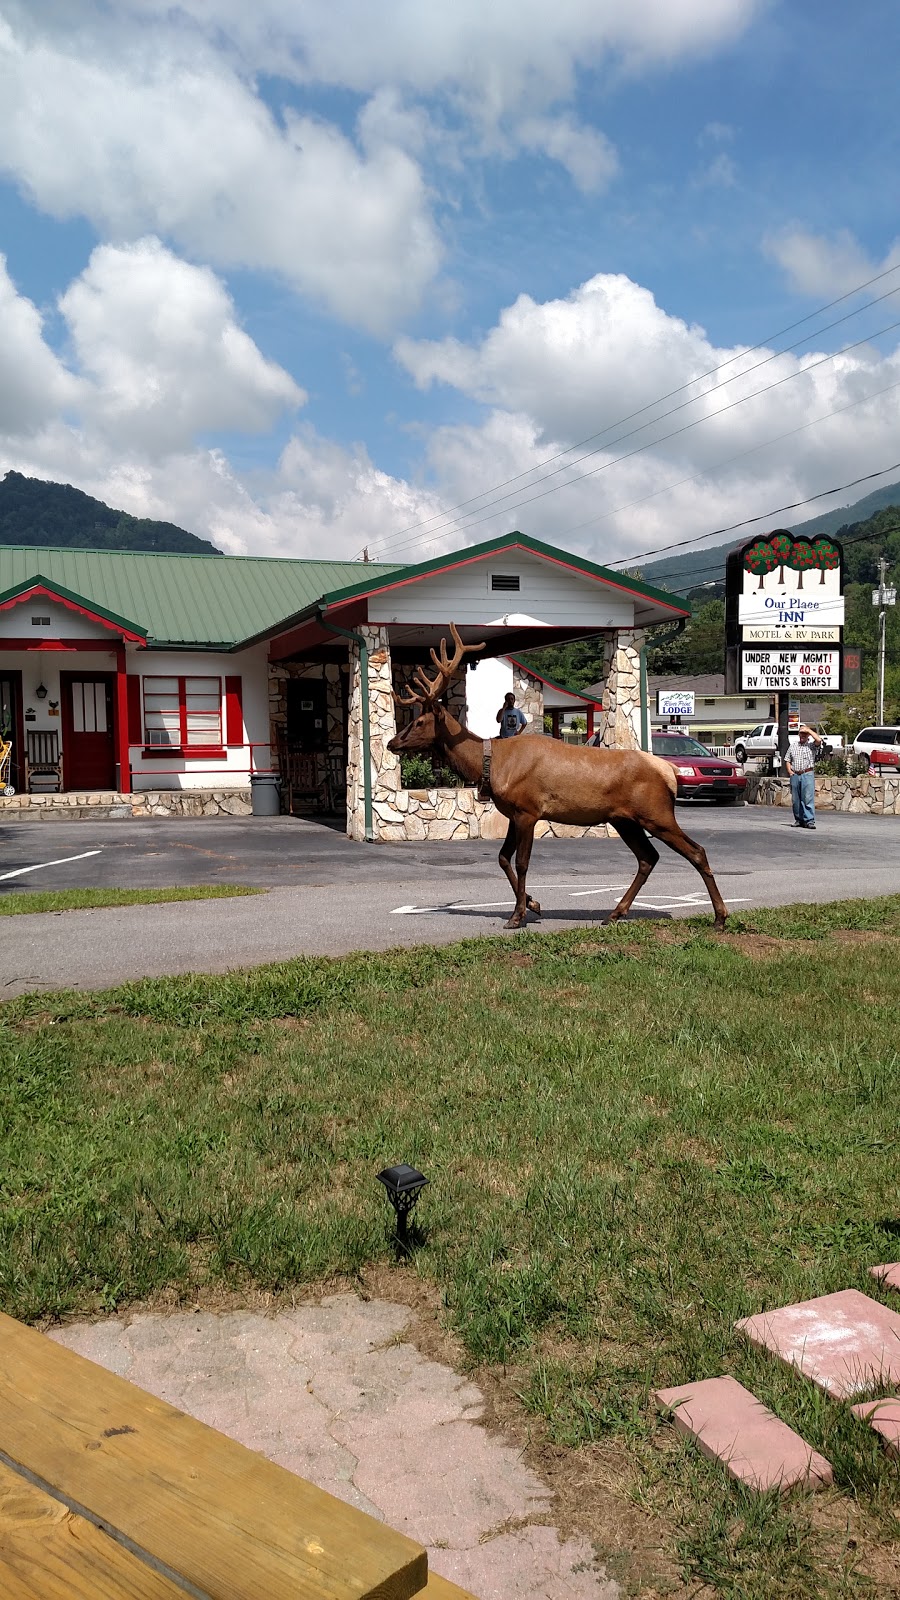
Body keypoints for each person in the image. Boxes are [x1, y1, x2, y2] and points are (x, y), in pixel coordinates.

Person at [784, 724, 822, 829]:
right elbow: (787, 759)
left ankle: (809, 820)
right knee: (796, 800)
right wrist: (789, 771)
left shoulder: (811, 746)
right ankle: (798, 819)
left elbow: (819, 740)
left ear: (808, 735)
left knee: (807, 798)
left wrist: (808, 730)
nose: (803, 736)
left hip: (807, 774)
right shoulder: (793, 746)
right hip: (795, 774)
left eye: (805, 734)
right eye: (801, 733)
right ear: (798, 734)